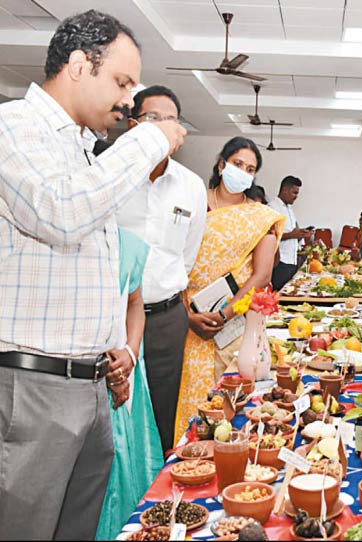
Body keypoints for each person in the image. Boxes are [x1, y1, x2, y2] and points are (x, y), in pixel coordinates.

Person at [0, 10, 185, 540]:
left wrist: (116, 347)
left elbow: (92, 269)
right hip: (33, 387)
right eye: (122, 82)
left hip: (90, 384)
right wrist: (152, 138)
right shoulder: (15, 127)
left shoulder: (82, 150)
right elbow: (61, 215)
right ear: (80, 66)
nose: (128, 99)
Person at [174, 137, 284, 446]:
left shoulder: (258, 215)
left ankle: (231, 460)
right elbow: (170, 259)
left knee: (233, 405)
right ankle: (191, 460)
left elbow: (261, 274)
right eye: (238, 165)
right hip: (187, 320)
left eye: (250, 169)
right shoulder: (194, 203)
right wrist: (187, 315)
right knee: (193, 407)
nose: (243, 173)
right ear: (222, 165)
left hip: (234, 325)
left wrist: (225, 312)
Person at [117, 84, 207, 454]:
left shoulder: (191, 186)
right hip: (114, 318)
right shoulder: (113, 178)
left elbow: (187, 255)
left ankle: (159, 496)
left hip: (168, 318)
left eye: (170, 120)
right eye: (153, 119)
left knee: (164, 408)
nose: (163, 128)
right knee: (117, 415)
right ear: (133, 125)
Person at [96, 228, 164, 540]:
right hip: (86, 375)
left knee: (131, 460)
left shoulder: (128, 242)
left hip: (127, 367)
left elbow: (134, 302)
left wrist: (131, 352)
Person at [270, 175, 312, 290]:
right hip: (280, 262)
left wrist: (301, 234)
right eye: (294, 193)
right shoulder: (273, 208)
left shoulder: (289, 209)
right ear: (284, 190)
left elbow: (292, 233)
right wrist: (292, 235)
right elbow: (270, 236)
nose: (296, 197)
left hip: (291, 260)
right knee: (279, 295)